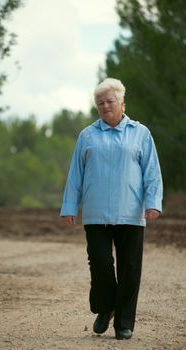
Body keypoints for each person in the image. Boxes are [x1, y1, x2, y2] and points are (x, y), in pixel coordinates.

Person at [60, 77, 163, 340]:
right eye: (100, 103)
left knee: (129, 267)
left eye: (110, 101)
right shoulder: (87, 135)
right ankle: (105, 308)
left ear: (122, 102)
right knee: (101, 264)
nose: (105, 106)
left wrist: (153, 202)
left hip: (131, 213)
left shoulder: (141, 133)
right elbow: (76, 174)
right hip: (96, 214)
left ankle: (124, 322)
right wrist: (70, 205)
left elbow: (152, 172)